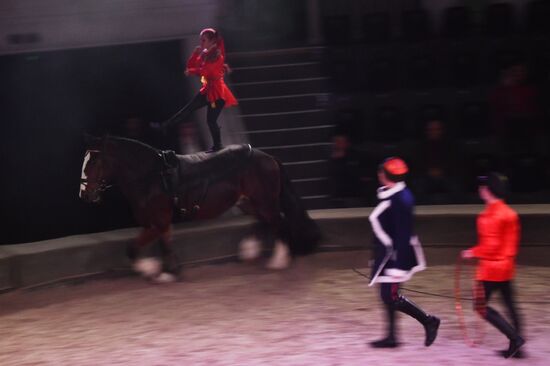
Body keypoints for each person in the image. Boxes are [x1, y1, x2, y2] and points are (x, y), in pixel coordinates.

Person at [368, 157, 440, 348]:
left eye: (381, 172)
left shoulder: (400, 199)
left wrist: (398, 266)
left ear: (385, 175)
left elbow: (402, 234)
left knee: (389, 296)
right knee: (387, 294)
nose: (379, 175)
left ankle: (428, 321)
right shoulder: (391, 194)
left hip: (396, 256)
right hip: (387, 255)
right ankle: (392, 336)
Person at [461, 172, 525, 358]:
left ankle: (514, 338)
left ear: (487, 190)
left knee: (480, 306)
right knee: (510, 305)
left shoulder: (487, 216)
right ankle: (518, 346)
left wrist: (471, 252)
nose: (480, 190)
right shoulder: (510, 213)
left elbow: (490, 247)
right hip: (507, 267)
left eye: (482, 187)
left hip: (491, 270)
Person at [152, 28, 238, 152]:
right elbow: (191, 66)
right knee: (187, 109)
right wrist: (195, 55)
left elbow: (207, 72)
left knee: (211, 121)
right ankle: (165, 126)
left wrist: (193, 71)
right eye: (201, 40)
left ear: (212, 41)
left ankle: (218, 145)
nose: (201, 43)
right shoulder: (204, 54)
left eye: (204, 40)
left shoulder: (217, 55)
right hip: (207, 91)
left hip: (217, 94)